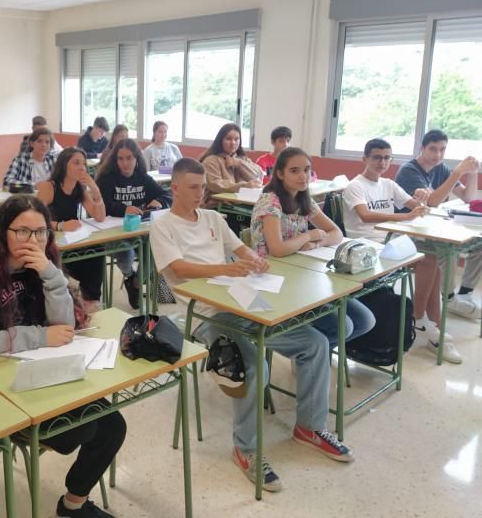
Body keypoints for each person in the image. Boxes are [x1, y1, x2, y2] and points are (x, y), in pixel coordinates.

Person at [150, 158, 354, 493]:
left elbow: (239, 247)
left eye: (203, 187)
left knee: (314, 343)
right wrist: (223, 269)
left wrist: (253, 259)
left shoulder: (214, 218)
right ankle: (245, 450)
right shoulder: (163, 225)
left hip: (242, 300)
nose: (200, 193)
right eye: (192, 187)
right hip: (206, 314)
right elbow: (177, 268)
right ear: (173, 188)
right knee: (253, 363)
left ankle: (309, 428)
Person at [0, 195, 125, 518]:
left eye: (41, 232)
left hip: (38, 368)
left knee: (112, 426)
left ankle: (73, 505)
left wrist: (51, 275)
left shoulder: (42, 260)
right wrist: (39, 336)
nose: (33, 240)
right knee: (77, 430)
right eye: (22, 231)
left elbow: (64, 325)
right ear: (2, 230)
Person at [250, 147, 375, 348]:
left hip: (300, 273)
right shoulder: (270, 200)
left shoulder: (303, 197)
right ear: (280, 174)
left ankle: (315, 353)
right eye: (294, 170)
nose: (303, 176)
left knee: (365, 321)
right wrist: (308, 234)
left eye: (307, 170)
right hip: (274, 278)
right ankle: (311, 354)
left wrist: (318, 242)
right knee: (344, 327)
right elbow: (278, 249)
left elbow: (336, 233)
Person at [341, 138, 451, 361]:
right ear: (365, 159)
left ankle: (432, 323)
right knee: (428, 260)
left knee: (434, 262)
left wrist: (422, 197)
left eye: (386, 158)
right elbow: (366, 215)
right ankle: (419, 317)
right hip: (367, 246)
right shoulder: (355, 186)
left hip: (390, 242)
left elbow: (417, 207)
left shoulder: (389, 184)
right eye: (377, 157)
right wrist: (404, 216)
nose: (382, 162)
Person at [396, 129, 481, 362]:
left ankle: (431, 319)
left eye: (442, 149)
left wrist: (473, 173)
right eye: (433, 149)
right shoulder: (409, 170)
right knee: (434, 258)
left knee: (444, 255)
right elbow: (432, 202)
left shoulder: (441, 169)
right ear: (422, 148)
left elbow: (468, 198)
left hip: (427, 233)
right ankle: (429, 319)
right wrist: (456, 173)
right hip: (404, 233)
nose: (438, 154)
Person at [96, 139, 170, 308]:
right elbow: (103, 207)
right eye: (120, 159)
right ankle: (130, 276)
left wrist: (159, 201)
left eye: (129, 158)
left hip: (139, 231)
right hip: (113, 233)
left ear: (137, 158)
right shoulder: (107, 180)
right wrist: (124, 209)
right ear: (115, 160)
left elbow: (167, 195)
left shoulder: (143, 178)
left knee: (156, 248)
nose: (125, 163)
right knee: (127, 254)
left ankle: (136, 282)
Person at [37, 147, 105, 314]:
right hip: (52, 242)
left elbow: (100, 217)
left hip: (72, 241)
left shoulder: (79, 189)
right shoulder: (49, 187)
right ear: (63, 165)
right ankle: (79, 300)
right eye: (76, 163)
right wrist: (60, 225)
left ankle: (90, 300)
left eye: (83, 163)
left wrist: (95, 190)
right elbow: (35, 219)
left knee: (97, 250)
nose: (82, 167)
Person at [199, 122, 263, 206]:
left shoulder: (242, 159)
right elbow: (215, 184)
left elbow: (258, 176)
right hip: (215, 206)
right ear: (220, 140)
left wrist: (239, 164)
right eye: (228, 139)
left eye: (236, 139)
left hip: (240, 205)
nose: (233, 143)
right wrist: (244, 186)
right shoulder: (211, 160)